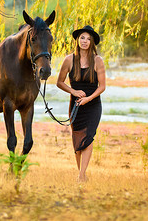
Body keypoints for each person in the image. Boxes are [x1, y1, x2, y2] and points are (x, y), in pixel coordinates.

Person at [56, 25, 106, 182]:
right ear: (78, 40)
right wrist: (74, 92)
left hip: (93, 106)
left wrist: (88, 98)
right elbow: (59, 82)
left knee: (88, 138)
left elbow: (102, 86)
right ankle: (82, 175)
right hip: (76, 106)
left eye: (89, 39)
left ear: (92, 43)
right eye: (82, 38)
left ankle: (81, 175)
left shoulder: (98, 61)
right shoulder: (69, 60)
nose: (85, 41)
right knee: (77, 142)